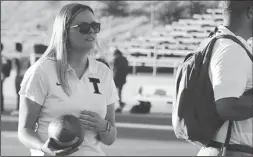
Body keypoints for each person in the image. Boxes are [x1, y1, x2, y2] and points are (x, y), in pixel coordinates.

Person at [18, 3, 118, 156]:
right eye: (84, 27)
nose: (91, 31)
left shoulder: (103, 72)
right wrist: (43, 148)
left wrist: (103, 126)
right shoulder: (41, 71)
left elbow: (110, 139)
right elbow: (25, 131)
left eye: (95, 26)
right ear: (64, 31)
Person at [197, 1, 253, 156]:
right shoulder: (231, 49)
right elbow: (227, 107)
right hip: (232, 150)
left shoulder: (224, 43)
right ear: (250, 12)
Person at [11, 42, 31, 115]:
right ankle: (22, 107)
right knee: (23, 92)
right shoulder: (26, 56)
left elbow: (15, 67)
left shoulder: (16, 57)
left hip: (19, 76)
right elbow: (29, 66)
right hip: (25, 75)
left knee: (18, 92)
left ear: (16, 48)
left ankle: (18, 108)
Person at [112, 49, 129, 113]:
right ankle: (121, 104)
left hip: (117, 78)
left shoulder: (116, 60)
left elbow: (115, 70)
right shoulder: (125, 59)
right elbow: (127, 69)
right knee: (119, 92)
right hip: (122, 78)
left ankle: (119, 104)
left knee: (110, 92)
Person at [1, 43, 12, 112]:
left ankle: (1, 107)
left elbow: (5, 66)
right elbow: (6, 66)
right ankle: (1, 107)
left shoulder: (3, 58)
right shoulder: (3, 57)